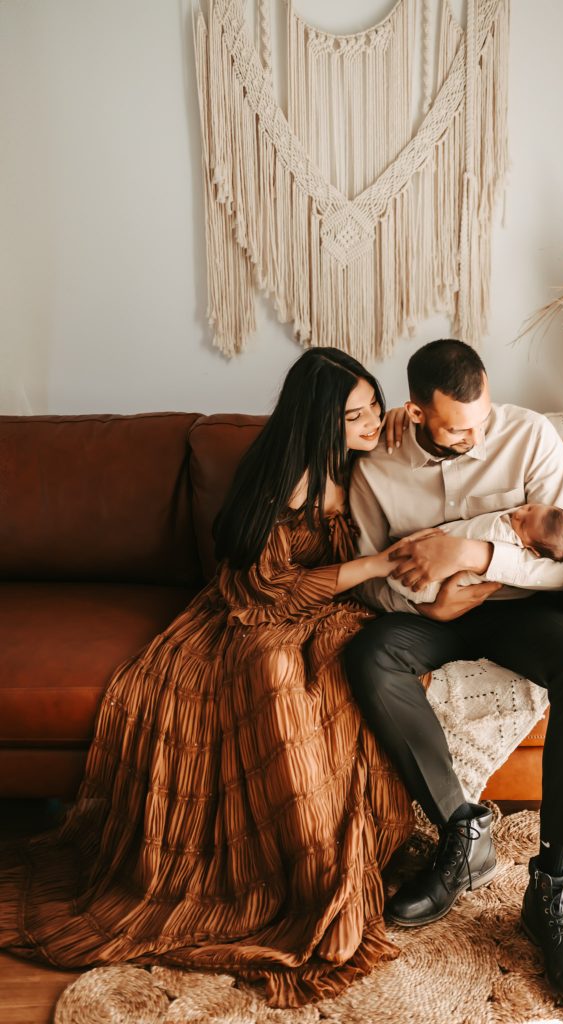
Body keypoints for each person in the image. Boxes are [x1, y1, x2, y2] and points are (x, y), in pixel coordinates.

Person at [0, 348, 419, 1008]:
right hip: (255, 612)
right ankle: (300, 875)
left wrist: (400, 427)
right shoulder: (286, 479)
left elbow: (430, 454)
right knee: (275, 675)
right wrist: (370, 569)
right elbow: (264, 593)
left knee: (346, 681)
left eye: (374, 407)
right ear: (317, 424)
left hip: (334, 614)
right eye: (355, 415)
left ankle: (340, 859)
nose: (371, 422)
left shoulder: (366, 454)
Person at [346, 339, 563, 1012]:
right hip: (429, 618)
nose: (479, 434)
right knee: (369, 655)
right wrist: (429, 596)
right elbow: (370, 586)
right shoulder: (375, 468)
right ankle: (463, 831)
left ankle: (553, 884)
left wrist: (474, 554)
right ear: (416, 413)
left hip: (514, 612)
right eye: (461, 429)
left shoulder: (529, 437)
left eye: (483, 417)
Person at [387, 502, 563, 605]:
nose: (518, 513)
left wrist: (471, 553)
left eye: (523, 524)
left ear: (531, 549)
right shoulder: (535, 521)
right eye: (529, 508)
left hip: (428, 588)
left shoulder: (502, 534)